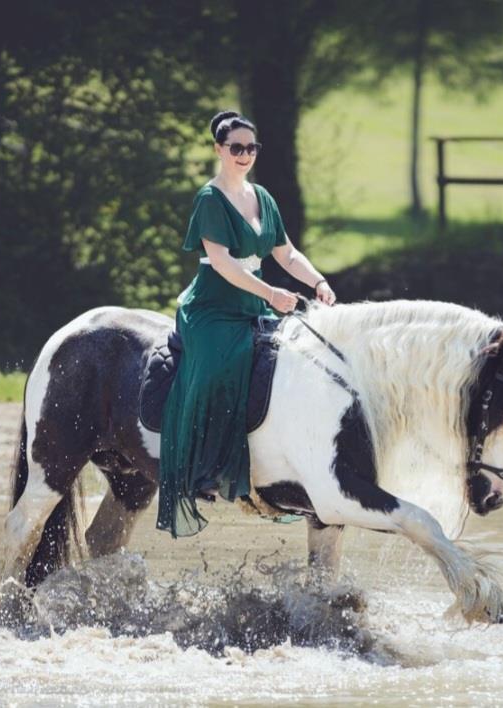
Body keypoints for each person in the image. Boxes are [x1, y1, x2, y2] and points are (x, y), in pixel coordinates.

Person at [156, 110, 337, 538]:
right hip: (213, 307)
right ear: (219, 149)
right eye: (235, 147)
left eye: (250, 148)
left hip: (252, 300)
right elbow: (220, 262)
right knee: (220, 366)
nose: (244, 155)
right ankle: (202, 471)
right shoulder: (209, 198)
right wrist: (271, 295)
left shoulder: (262, 197)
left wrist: (318, 281)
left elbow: (286, 254)